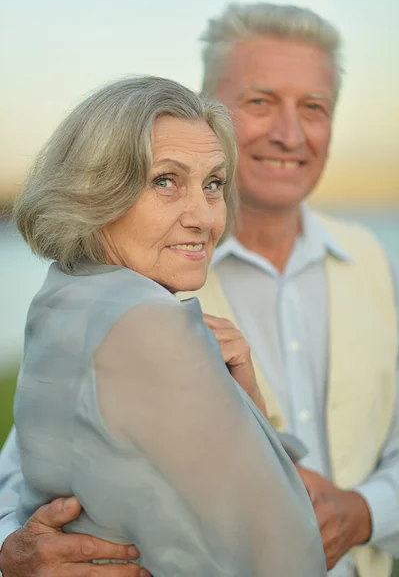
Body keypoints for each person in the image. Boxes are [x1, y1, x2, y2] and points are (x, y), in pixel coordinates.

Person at [0, 75, 326, 577]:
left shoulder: (63, 296)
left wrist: (242, 398)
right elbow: (292, 546)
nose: (204, 217)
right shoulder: (148, 323)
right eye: (165, 181)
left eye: (213, 184)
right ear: (96, 190)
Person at [178, 2, 398, 577]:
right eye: (260, 101)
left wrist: (365, 512)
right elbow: (29, 469)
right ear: (206, 113)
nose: (290, 134)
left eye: (314, 107)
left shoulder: (377, 263)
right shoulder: (140, 273)